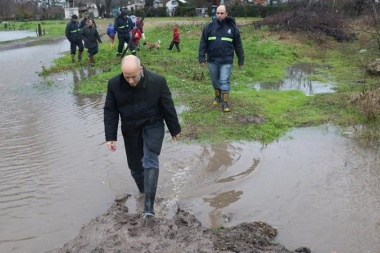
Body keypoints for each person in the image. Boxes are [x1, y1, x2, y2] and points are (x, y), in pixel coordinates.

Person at [103, 55, 181, 218]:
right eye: (127, 77)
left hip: (153, 124)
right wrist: (110, 136)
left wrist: (174, 128)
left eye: (134, 76)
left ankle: (148, 208)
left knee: (150, 158)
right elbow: (110, 110)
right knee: (135, 168)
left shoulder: (157, 81)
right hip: (130, 127)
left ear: (141, 69)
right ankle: (144, 190)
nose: (130, 81)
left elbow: (167, 105)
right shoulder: (114, 85)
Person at [198, 5, 244, 112]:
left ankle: (225, 103)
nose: (219, 15)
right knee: (215, 81)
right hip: (212, 60)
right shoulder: (208, 27)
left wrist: (240, 60)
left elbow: (238, 45)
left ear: (226, 13)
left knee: (224, 81)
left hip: (226, 60)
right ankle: (217, 97)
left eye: (222, 13)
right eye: (218, 13)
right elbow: (203, 43)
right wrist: (201, 58)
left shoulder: (232, 28)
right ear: (215, 14)